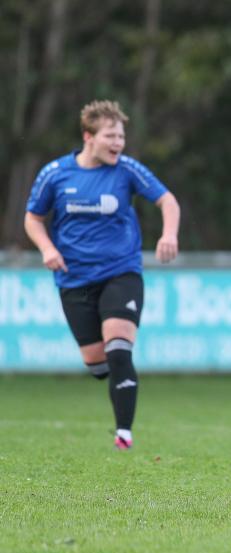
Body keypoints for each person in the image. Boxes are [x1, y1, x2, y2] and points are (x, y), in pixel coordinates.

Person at [24, 100, 180, 450]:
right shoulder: (56, 174)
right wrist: (48, 249)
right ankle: (113, 373)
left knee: (119, 349)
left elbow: (167, 201)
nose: (118, 143)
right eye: (110, 135)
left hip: (120, 272)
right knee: (97, 363)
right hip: (73, 279)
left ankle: (124, 433)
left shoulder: (127, 170)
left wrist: (169, 234)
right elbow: (32, 218)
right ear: (88, 137)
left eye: (121, 136)